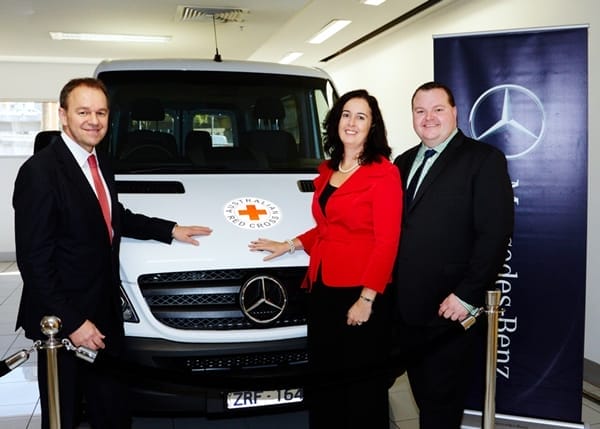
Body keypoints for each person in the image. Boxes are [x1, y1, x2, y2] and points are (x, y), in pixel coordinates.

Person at [12, 77, 213, 429]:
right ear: (63, 115)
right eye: (83, 111)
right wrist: (73, 323)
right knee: (65, 414)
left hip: (103, 308)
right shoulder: (40, 172)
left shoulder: (99, 161)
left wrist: (167, 229)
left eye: (101, 112)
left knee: (113, 409)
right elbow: (34, 261)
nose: (94, 120)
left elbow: (109, 214)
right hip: (61, 324)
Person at [249, 89, 402, 429]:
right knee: (326, 382)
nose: (352, 122)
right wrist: (288, 244)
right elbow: (327, 227)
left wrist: (367, 298)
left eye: (361, 116)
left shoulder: (383, 173)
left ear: (372, 126)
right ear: (336, 121)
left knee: (361, 389)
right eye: (346, 114)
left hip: (360, 293)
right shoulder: (329, 169)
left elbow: (387, 241)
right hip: (323, 288)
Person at [392, 81, 514, 428]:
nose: (428, 118)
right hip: (407, 311)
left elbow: (495, 234)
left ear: (455, 112)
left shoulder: (483, 160)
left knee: (443, 403)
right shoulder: (401, 163)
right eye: (420, 111)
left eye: (438, 109)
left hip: (450, 309)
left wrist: (467, 294)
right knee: (424, 397)